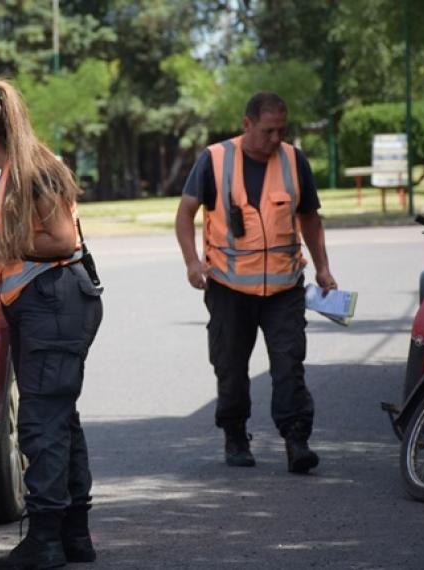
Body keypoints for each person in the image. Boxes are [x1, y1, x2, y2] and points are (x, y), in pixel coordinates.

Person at [0, 78, 103, 570]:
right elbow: (14, 245)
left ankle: (47, 541)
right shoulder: (10, 174)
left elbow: (61, 242)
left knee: (42, 425)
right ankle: (73, 535)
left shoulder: (34, 171)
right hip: (46, 304)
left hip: (55, 304)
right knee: (60, 422)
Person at [174, 91, 337, 474]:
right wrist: (192, 263)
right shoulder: (214, 160)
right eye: (268, 130)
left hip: (284, 287)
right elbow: (184, 214)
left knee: (289, 363)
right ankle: (235, 435)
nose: (275, 138)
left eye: (282, 130)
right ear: (246, 124)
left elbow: (310, 218)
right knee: (230, 366)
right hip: (229, 287)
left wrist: (323, 268)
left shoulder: (294, 160)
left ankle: (296, 440)